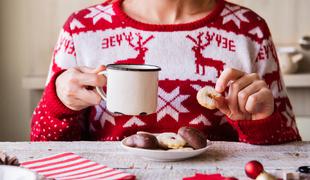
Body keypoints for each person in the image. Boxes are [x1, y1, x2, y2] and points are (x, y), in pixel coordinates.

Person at [30, 0, 301, 144]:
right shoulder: (81, 29)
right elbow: (44, 145)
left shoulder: (249, 29)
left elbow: (289, 151)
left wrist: (261, 122)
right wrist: (59, 103)